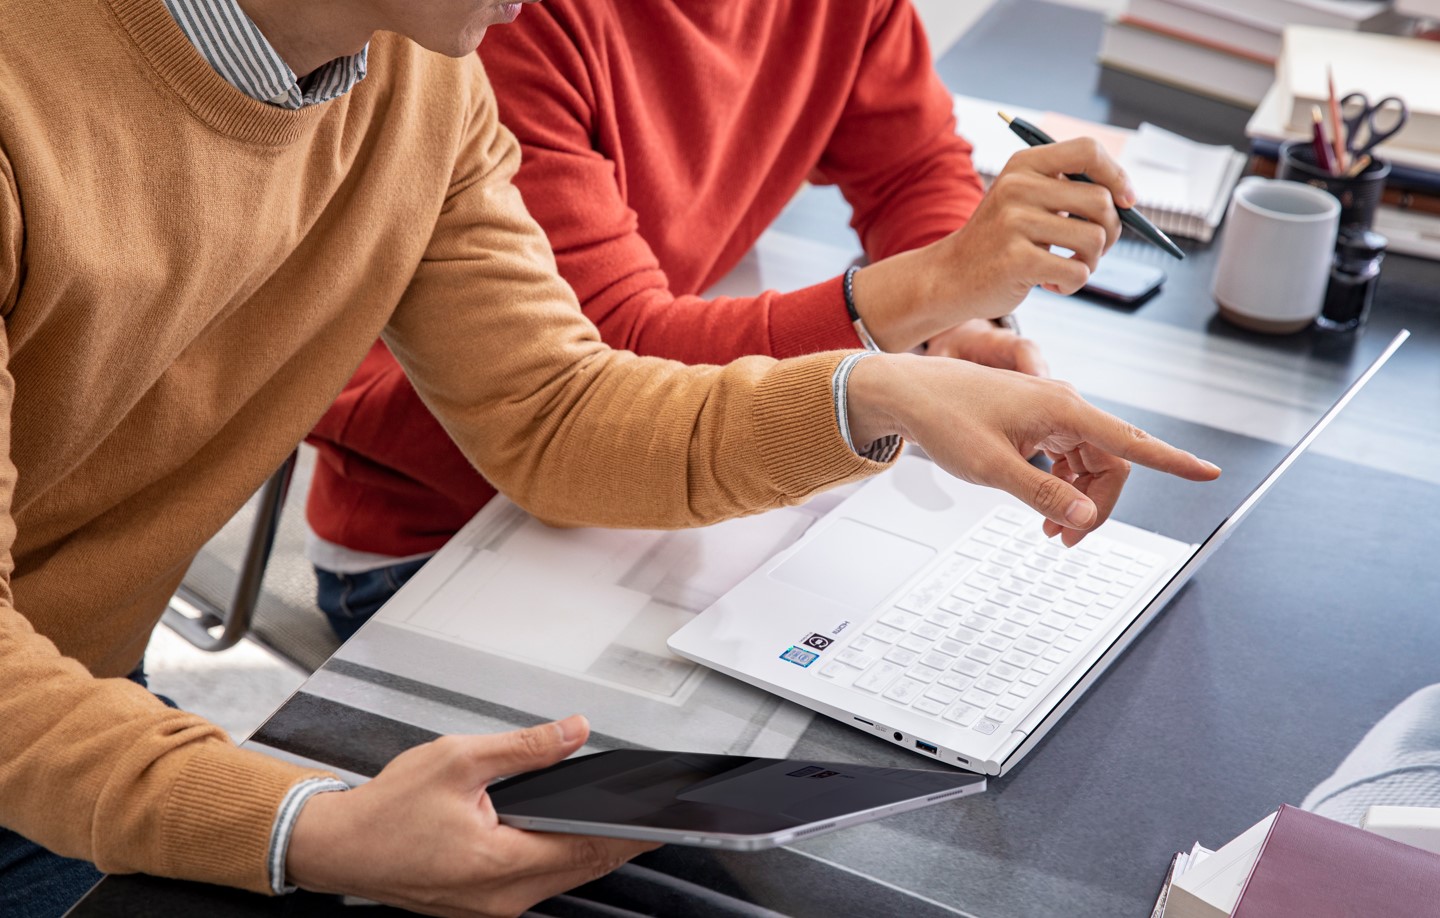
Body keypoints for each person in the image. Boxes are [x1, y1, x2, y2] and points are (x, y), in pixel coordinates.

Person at [0, 1, 1218, 916]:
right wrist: (308, 826)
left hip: (70, 708)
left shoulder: (424, 77)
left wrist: (877, 389)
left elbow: (552, 408)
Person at [305, 0, 1071, 637]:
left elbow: (911, 165)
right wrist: (930, 292)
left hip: (660, 472)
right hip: (447, 526)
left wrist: (947, 326)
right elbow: (598, 377)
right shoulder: (488, 19)